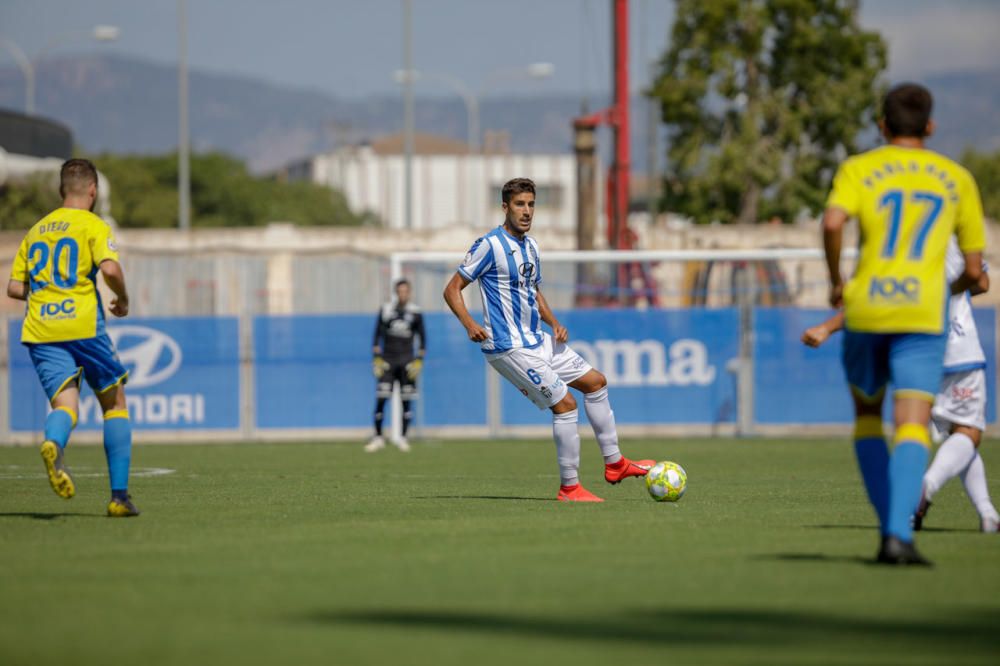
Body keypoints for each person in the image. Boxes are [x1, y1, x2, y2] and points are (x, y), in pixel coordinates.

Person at [821, 83, 986, 564]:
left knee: (869, 418)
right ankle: (898, 537)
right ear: (930, 126)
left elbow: (832, 223)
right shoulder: (956, 178)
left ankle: (889, 526)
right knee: (912, 424)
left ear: (882, 126)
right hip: (921, 316)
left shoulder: (859, 168)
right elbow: (975, 273)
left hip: (867, 307)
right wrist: (941, 292)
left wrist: (836, 281)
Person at [443, 177, 653, 502]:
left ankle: (615, 463)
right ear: (505, 207)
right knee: (566, 404)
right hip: (508, 347)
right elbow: (452, 288)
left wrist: (553, 321)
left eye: (531, 204)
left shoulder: (532, 246)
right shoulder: (490, 245)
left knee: (596, 382)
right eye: (519, 204)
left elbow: (532, 291)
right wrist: (469, 323)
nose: (526, 211)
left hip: (538, 339)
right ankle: (570, 488)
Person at [803, 238, 998, 533]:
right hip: (956, 346)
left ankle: (988, 515)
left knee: (956, 434)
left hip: (915, 352)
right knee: (968, 432)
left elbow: (871, 304)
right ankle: (924, 489)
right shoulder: (945, 233)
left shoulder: (892, 248)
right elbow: (980, 281)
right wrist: (946, 293)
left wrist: (826, 327)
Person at [6, 158, 138, 517]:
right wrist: (122, 298)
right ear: (93, 191)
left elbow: (15, 287)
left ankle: (53, 442)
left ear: (62, 190)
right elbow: (109, 269)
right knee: (114, 402)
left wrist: (47, 289)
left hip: (40, 329)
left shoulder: (36, 230)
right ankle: (119, 498)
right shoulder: (92, 225)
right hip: (82, 326)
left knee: (65, 406)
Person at [366, 278, 425, 453]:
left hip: (407, 362)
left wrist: (419, 360)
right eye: (400, 291)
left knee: (406, 402)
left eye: (406, 291)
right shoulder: (386, 310)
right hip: (388, 362)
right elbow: (377, 336)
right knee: (381, 399)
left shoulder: (415, 312)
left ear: (410, 292)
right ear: (396, 292)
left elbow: (423, 338)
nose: (403, 294)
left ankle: (403, 438)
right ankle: (377, 437)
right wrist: (376, 358)